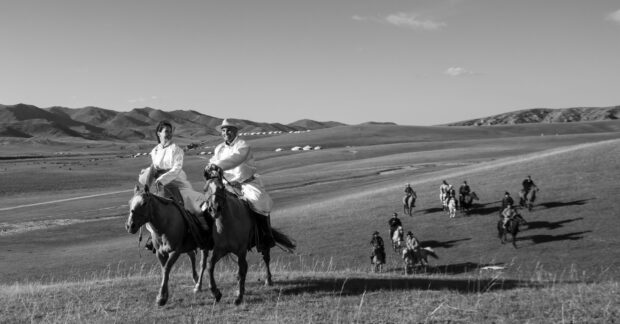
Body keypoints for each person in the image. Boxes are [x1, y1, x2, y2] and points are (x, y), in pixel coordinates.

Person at [206, 118, 275, 250]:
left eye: (229, 130)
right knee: (206, 205)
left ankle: (265, 236)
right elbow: (213, 160)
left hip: (245, 183)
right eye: (224, 130)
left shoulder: (243, 146)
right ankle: (209, 236)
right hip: (225, 185)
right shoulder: (219, 148)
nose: (226, 133)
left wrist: (216, 165)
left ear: (236, 131)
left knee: (259, 201)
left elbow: (235, 159)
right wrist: (209, 166)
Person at [139, 120, 207, 251]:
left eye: (170, 132)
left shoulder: (176, 150)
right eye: (166, 131)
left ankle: (202, 232)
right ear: (159, 133)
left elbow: (176, 169)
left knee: (193, 204)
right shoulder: (155, 151)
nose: (169, 134)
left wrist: (161, 180)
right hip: (159, 184)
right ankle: (154, 238)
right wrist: (147, 184)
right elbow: (153, 168)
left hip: (177, 182)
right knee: (147, 207)